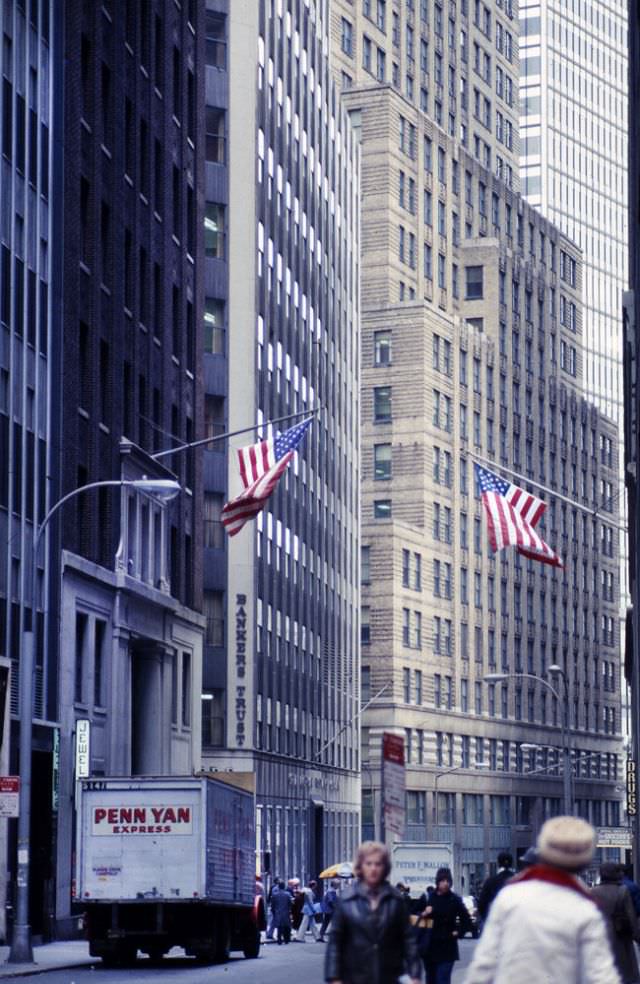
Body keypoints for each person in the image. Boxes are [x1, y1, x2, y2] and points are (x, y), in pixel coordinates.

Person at [463, 816, 622, 984]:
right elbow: (601, 975)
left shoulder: (510, 896)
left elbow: (484, 965)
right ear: (583, 862)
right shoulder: (586, 909)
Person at [325, 840, 422, 984]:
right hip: (355, 976)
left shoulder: (395, 900)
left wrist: (415, 974)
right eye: (369, 864)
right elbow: (335, 943)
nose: (373, 869)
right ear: (361, 866)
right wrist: (334, 977)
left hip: (389, 976)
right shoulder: (347, 900)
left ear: (385, 867)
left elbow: (408, 939)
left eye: (378, 864)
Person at [420, 866, 471, 984]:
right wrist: (424, 913)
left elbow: (466, 920)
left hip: (448, 947)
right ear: (437, 882)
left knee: (442, 979)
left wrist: (459, 932)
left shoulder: (455, 899)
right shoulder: (428, 897)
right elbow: (412, 919)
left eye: (448, 881)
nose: (446, 884)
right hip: (430, 947)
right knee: (431, 979)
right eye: (443, 881)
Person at [591, 862, 640, 984]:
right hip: (621, 938)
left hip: (600, 938)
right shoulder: (623, 891)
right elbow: (631, 917)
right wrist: (637, 937)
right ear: (615, 874)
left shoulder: (592, 892)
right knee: (624, 974)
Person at [477, 852, 515, 923]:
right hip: (515, 922)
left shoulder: (491, 881)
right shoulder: (519, 881)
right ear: (512, 863)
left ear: (498, 864)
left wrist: (488, 920)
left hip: (497, 921)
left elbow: (482, 904)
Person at [271, 879, 293, 945]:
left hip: (278, 912)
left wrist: (273, 911)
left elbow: (273, 904)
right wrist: (290, 909)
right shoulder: (288, 894)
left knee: (279, 927)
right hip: (286, 912)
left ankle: (279, 940)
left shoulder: (275, 895)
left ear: (279, 887)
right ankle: (286, 939)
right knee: (286, 926)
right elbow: (290, 903)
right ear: (284, 887)